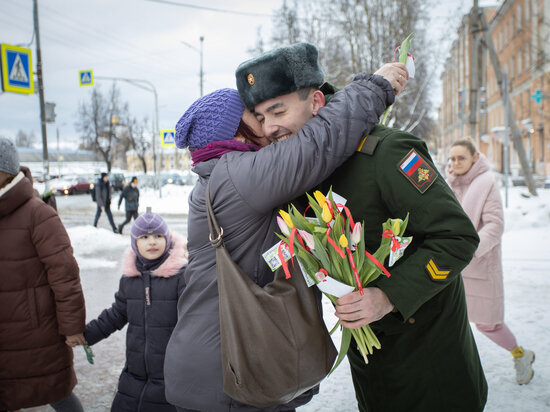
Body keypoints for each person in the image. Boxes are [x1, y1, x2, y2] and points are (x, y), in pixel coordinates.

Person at [234, 43, 487, 411]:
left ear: (317, 101)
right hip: (371, 365)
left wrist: (388, 296)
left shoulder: (387, 152)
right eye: (261, 117)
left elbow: (457, 237)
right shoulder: (297, 173)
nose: (270, 127)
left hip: (429, 359)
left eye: (278, 111)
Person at [164, 44, 407, 411]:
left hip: (223, 363)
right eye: (255, 117)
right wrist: (378, 85)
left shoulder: (217, 177)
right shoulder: (237, 176)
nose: (266, 126)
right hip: (230, 374)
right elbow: (318, 142)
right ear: (237, 131)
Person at [0, 137, 86, 412]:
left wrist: (72, 328)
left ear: (7, 172)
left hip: (35, 331)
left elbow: (65, 275)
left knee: (55, 392)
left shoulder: (38, 214)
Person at [74, 212, 188, 411]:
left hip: (169, 373)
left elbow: (193, 320)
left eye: (158, 236)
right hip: (134, 372)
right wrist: (87, 335)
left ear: (167, 239)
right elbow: (116, 314)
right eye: (144, 237)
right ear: (135, 243)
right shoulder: (130, 280)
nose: (152, 242)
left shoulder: (180, 277)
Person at [446, 137, 535, 385]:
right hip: (454, 268)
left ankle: (521, 355)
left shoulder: (486, 183)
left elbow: (495, 225)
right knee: (450, 321)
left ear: (475, 158)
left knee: (488, 324)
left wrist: (469, 249)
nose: (455, 163)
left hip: (480, 267)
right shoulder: (449, 183)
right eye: (452, 158)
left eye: (461, 157)